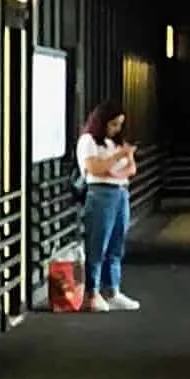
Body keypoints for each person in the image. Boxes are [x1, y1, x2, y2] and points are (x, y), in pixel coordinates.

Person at [76, 102, 138, 308]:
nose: (116, 129)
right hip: (100, 193)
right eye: (113, 124)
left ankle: (112, 288)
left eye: (119, 124)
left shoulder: (116, 141)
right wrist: (118, 158)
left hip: (120, 192)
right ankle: (91, 292)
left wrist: (114, 170)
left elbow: (131, 169)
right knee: (97, 243)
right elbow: (94, 168)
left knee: (116, 243)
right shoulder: (89, 141)